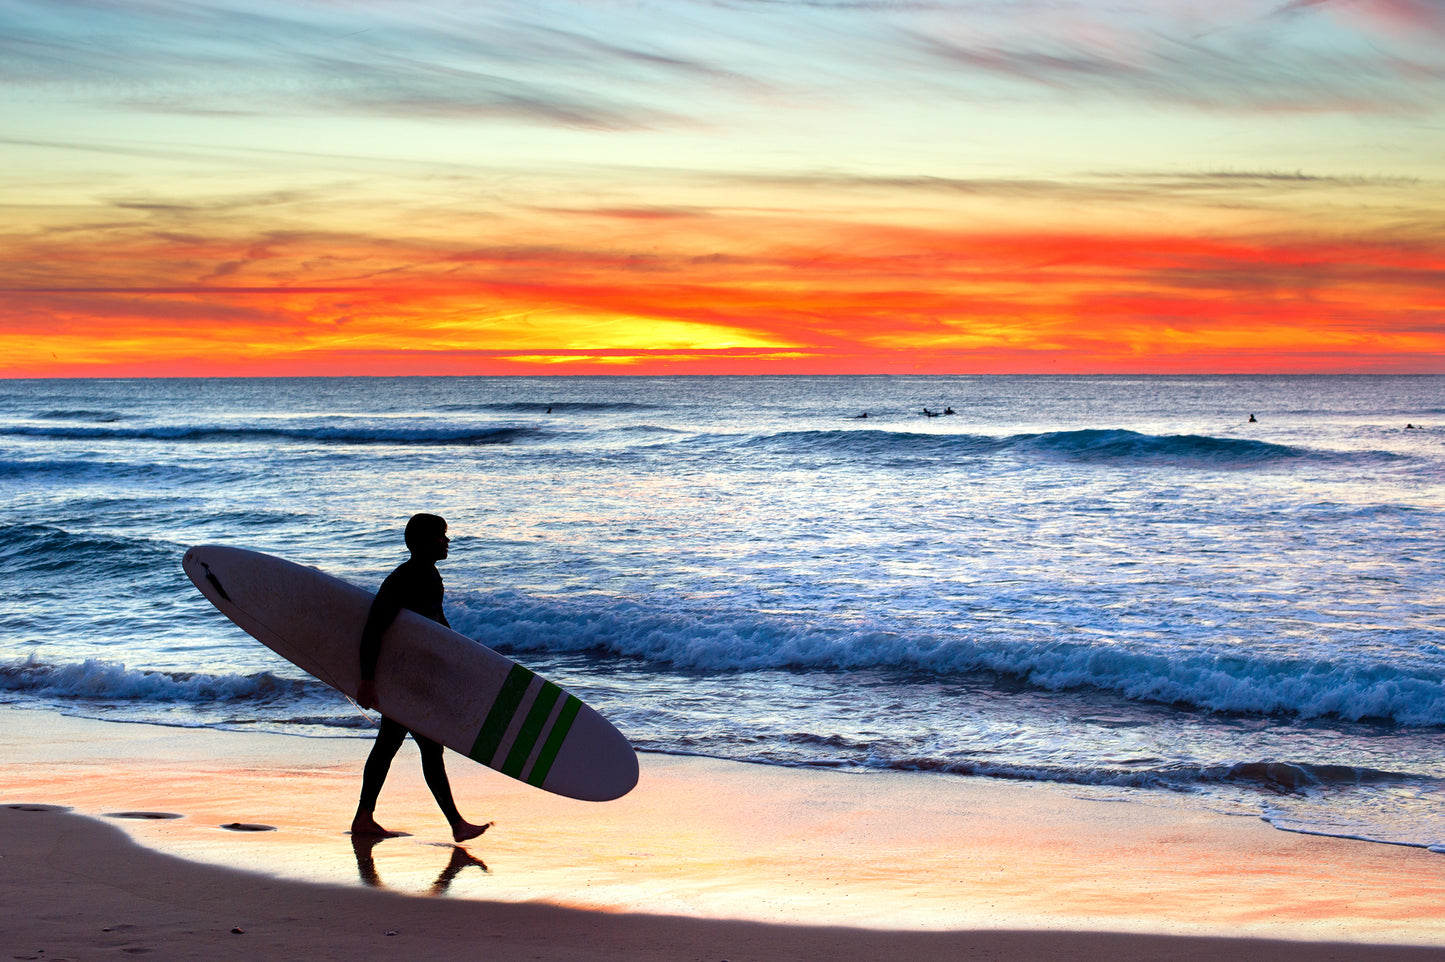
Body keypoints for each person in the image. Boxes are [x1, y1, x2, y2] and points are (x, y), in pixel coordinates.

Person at [351, 513, 489, 842]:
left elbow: (436, 625)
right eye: (442, 536)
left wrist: (463, 659)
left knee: (392, 746)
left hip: (415, 677)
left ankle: (365, 817)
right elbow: (373, 629)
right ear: (425, 542)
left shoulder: (428, 575)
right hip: (404, 679)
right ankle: (456, 824)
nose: (447, 541)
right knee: (424, 747)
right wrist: (367, 681)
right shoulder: (404, 579)